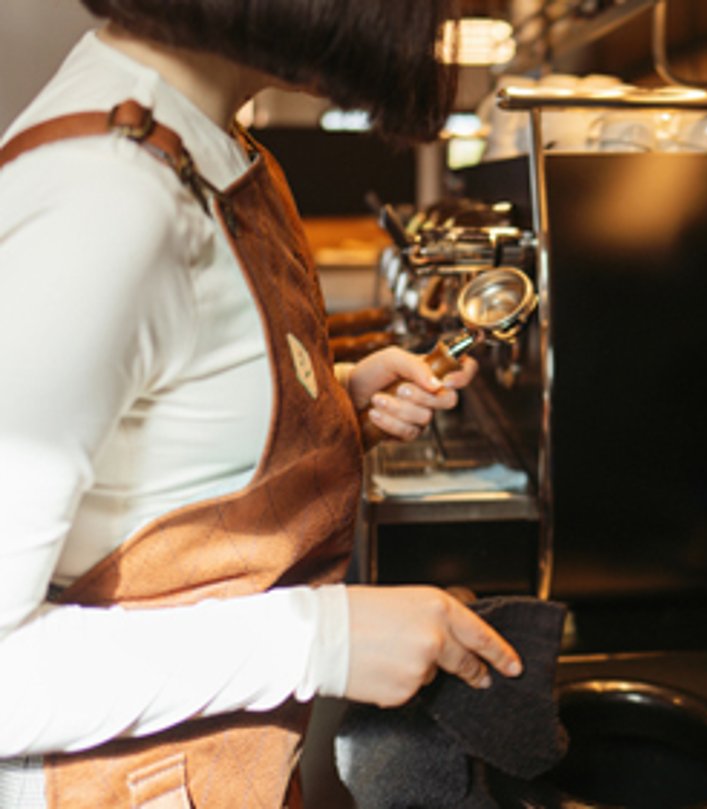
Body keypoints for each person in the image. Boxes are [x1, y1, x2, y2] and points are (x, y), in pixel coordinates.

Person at [0, 1, 525, 806]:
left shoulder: (214, 145)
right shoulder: (104, 202)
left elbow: (156, 464)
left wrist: (331, 409)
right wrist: (327, 639)